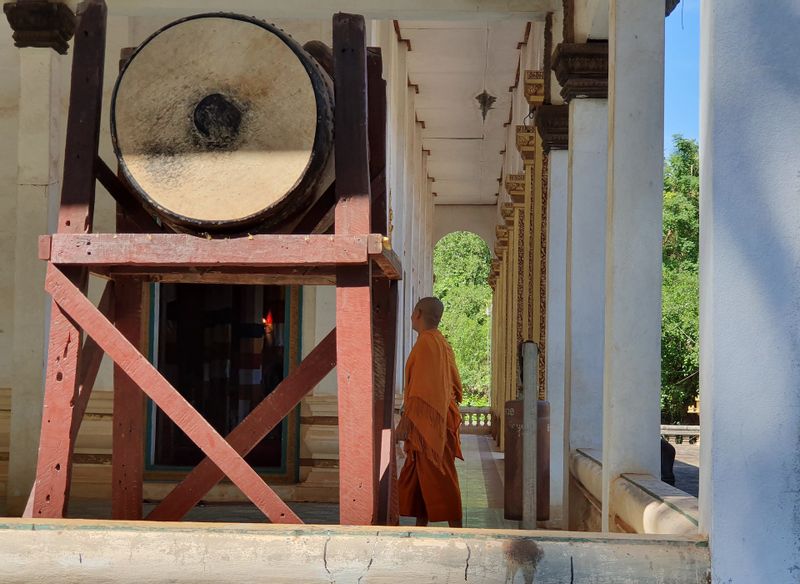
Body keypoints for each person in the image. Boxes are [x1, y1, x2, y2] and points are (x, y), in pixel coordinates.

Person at [396, 297, 463, 528]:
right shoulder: (442, 343)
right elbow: (455, 385)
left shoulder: (426, 343)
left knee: (439, 476)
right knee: (419, 477)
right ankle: (420, 526)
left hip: (429, 426)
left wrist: (407, 421)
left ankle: (458, 529)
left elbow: (421, 391)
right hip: (437, 419)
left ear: (418, 313)